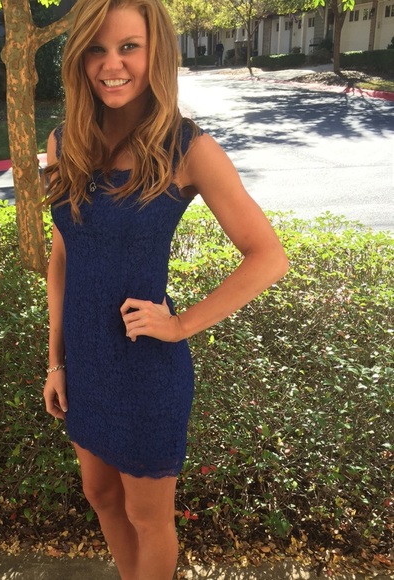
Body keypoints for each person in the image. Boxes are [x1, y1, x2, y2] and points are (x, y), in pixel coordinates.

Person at [42, 1, 289, 578]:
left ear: (156, 53)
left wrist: (179, 325)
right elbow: (62, 258)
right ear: (79, 59)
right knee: (101, 496)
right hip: (85, 363)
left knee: (148, 517)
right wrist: (56, 361)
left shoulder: (188, 149)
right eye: (97, 49)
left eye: (129, 47)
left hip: (145, 371)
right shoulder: (63, 143)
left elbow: (269, 256)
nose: (112, 65)